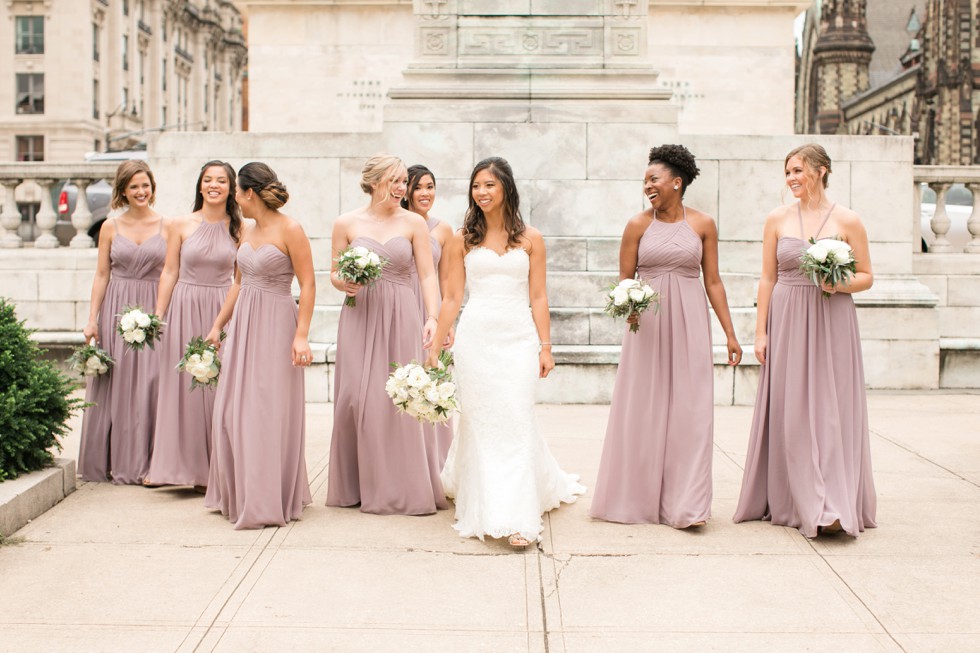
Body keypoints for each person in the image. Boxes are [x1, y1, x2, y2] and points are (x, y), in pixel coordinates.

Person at [425, 156, 585, 547]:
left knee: (515, 418)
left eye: (489, 185)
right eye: (476, 186)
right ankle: (486, 500)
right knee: (481, 422)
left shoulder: (531, 238)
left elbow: (539, 295)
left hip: (518, 340)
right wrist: (435, 346)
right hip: (476, 340)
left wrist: (546, 346)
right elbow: (451, 298)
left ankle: (519, 517)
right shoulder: (463, 238)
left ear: (507, 188)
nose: (481, 192)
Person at [590, 144, 742, 527]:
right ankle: (635, 499)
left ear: (677, 182)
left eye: (653, 179)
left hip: (691, 324)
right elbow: (624, 282)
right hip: (649, 329)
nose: (647, 186)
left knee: (692, 414)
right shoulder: (638, 225)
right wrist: (631, 307)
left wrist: (730, 334)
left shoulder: (704, 224)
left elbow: (714, 282)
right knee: (644, 411)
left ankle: (688, 507)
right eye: (645, 181)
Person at [734, 143, 877, 538]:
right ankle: (796, 498)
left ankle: (831, 503)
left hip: (832, 319)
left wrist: (837, 282)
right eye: (788, 173)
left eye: (798, 170)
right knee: (793, 408)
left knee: (831, 409)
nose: (792, 178)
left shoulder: (848, 220)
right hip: (788, 318)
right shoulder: (777, 219)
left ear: (822, 170)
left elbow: (866, 275)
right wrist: (761, 331)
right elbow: (768, 278)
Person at [326, 154, 447, 515]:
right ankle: (358, 485)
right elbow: (332, 272)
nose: (401, 188)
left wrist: (432, 317)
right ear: (375, 182)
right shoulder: (345, 222)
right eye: (394, 181)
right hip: (359, 315)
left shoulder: (413, 223)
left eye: (402, 181)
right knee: (356, 397)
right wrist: (342, 282)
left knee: (398, 398)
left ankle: (403, 486)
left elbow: (427, 274)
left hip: (400, 312)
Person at [204, 162, 314, 529]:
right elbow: (237, 282)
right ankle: (239, 491)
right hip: (244, 327)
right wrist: (219, 325)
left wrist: (301, 335)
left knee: (266, 412)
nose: (235, 196)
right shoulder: (245, 230)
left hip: (276, 324)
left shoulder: (291, 229)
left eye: (237, 189)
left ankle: (268, 497)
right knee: (231, 412)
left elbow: (309, 285)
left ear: (249, 193)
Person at [143, 161, 240, 490]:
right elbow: (169, 271)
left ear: (231, 188)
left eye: (222, 180)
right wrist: (159, 312)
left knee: (216, 389)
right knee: (181, 390)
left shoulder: (240, 228)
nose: (214, 185)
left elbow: (243, 277)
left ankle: (212, 471)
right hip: (184, 306)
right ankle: (175, 468)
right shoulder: (180, 224)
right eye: (208, 180)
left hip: (221, 308)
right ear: (200, 186)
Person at [78, 160, 169, 485]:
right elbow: (102, 274)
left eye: (145, 185)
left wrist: (163, 313)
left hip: (155, 309)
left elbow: (173, 273)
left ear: (152, 187)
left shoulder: (166, 226)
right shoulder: (110, 227)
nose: (141, 192)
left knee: (152, 382)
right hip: (117, 308)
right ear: (123, 191)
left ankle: (152, 463)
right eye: (134, 187)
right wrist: (92, 319)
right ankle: (113, 461)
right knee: (117, 384)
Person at [402, 164, 455, 469]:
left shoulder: (443, 230)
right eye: (418, 187)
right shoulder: (396, 224)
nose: (425, 193)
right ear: (405, 190)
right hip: (400, 306)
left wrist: (447, 322)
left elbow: (446, 281)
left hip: (429, 310)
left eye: (430, 186)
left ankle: (435, 464)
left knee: (431, 385)